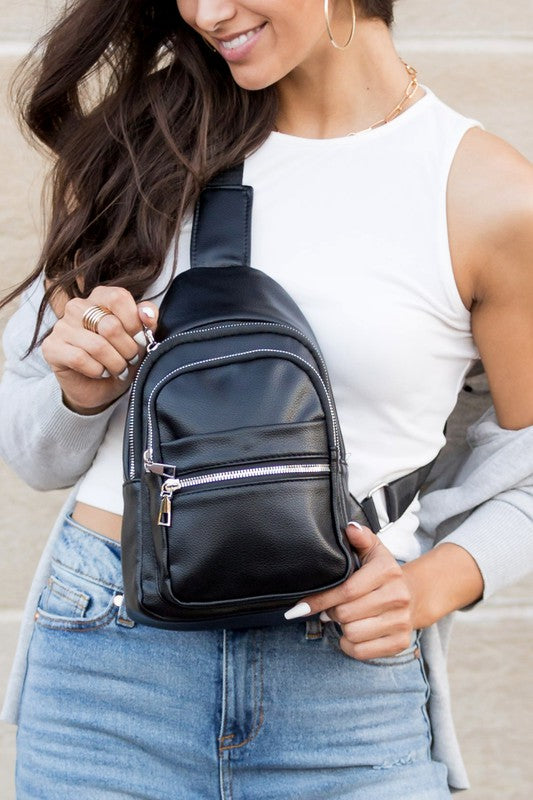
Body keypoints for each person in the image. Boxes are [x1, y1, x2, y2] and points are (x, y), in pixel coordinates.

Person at [1, 1, 532, 797]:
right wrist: (78, 390)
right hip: (108, 673)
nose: (209, 13)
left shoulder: (487, 196)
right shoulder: (145, 145)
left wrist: (428, 585)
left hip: (343, 692)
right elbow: (32, 454)